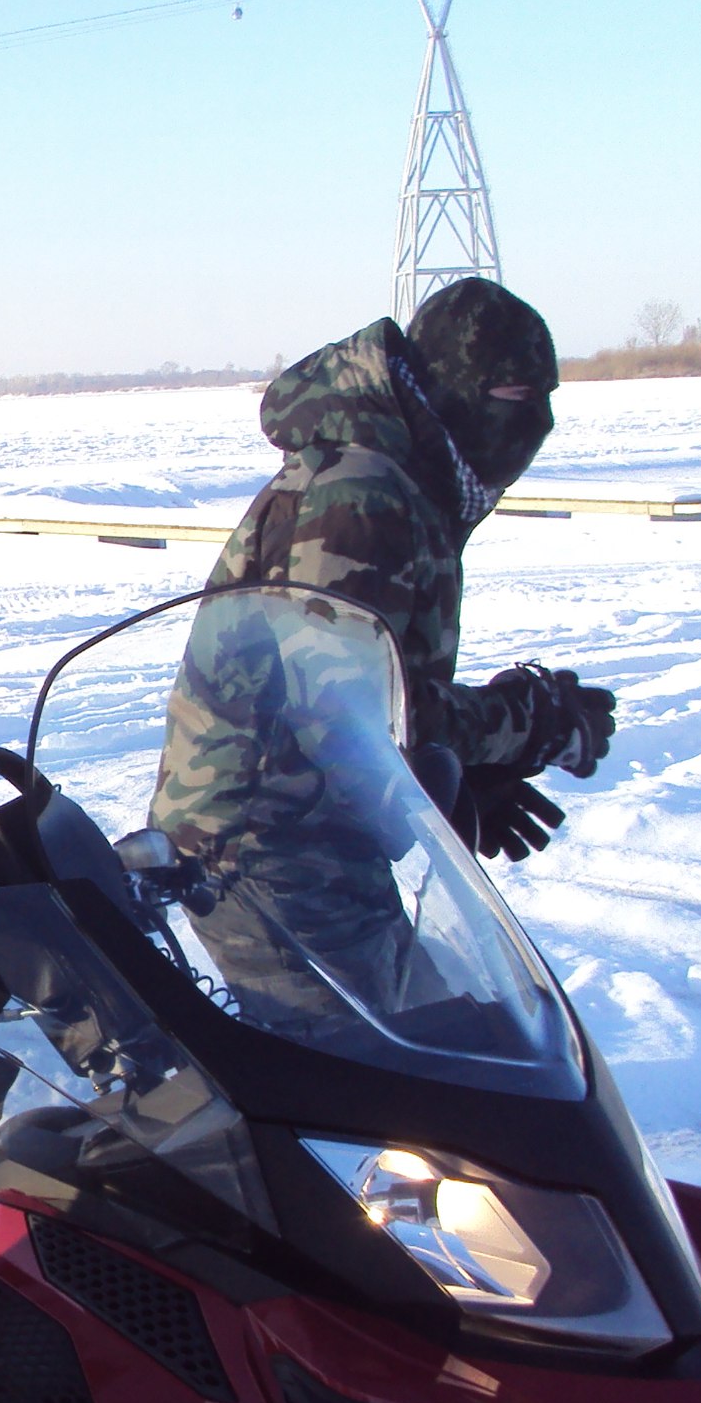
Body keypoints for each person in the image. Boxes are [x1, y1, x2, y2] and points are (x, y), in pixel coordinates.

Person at [149, 279, 615, 1036]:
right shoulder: (359, 495)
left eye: (544, 398)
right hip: (265, 845)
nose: (535, 422)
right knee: (392, 1070)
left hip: (317, 836)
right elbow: (345, 711)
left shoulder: (402, 476)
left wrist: (458, 770)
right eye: (512, 395)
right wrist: (525, 724)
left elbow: (380, 687)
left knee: (446, 1038)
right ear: (453, 391)